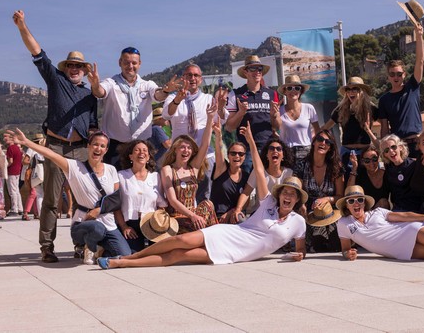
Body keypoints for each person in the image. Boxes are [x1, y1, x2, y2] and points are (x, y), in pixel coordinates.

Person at [96, 123, 307, 269]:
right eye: (285, 192)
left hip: (234, 255)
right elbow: (260, 172)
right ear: (279, 194)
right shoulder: (268, 202)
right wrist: (251, 142)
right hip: (228, 234)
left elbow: (301, 250)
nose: (288, 196)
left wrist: (299, 256)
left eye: (293, 194)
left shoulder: (298, 222)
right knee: (180, 240)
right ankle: (126, 260)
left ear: (297, 200)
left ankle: (125, 261)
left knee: (178, 255)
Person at [13, 10, 98, 263]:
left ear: (84, 70)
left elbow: (93, 123)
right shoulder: (55, 80)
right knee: (50, 199)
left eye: (79, 66)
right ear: (66, 67)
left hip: (81, 148)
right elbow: (37, 53)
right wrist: (22, 27)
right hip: (56, 147)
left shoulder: (90, 94)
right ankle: (46, 247)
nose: (74, 69)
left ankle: (79, 244)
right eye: (71, 65)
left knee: (84, 199)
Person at [5, 129, 131, 263]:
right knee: (96, 228)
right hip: (83, 223)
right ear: (88, 146)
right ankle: (88, 247)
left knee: (124, 254)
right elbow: (51, 154)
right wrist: (26, 142)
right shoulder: (74, 167)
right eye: (95, 144)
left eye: (102, 146)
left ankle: (100, 249)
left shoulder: (111, 170)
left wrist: (99, 210)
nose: (98, 148)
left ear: (106, 150)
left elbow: (116, 199)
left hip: (108, 223)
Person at [86, 47, 177, 168]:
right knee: (116, 183)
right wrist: (95, 84)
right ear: (120, 62)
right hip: (115, 147)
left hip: (142, 146)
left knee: (141, 182)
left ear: (139, 64)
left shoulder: (147, 84)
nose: (130, 66)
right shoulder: (111, 83)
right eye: (126, 62)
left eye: (134, 63)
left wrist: (165, 90)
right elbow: (100, 92)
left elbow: (158, 95)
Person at [162, 64, 227, 203]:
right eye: (189, 75)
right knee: (180, 194)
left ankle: (203, 221)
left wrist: (220, 108)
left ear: (201, 79)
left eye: (196, 75)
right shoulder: (173, 98)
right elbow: (167, 114)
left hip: (204, 155)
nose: (192, 78)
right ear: (183, 78)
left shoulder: (208, 99)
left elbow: (221, 119)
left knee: (204, 195)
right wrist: (178, 100)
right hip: (180, 155)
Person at [161, 104, 218, 233]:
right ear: (175, 150)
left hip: (195, 215)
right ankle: (210, 236)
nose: (186, 150)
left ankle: (211, 235)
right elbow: (172, 200)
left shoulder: (194, 168)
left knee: (208, 204)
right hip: (177, 216)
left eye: (189, 148)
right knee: (203, 225)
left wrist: (210, 119)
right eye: (182, 147)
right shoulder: (168, 170)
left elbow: (205, 144)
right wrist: (192, 215)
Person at [378, 18, 424, 158]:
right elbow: (384, 129)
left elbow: (420, 61)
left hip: (417, 142)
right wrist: (385, 152)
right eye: (392, 74)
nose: (395, 76)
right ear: (388, 77)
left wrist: (419, 35)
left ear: (404, 74)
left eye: (399, 73)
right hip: (398, 147)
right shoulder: (384, 100)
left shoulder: (412, 87)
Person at [293, 130, 344, 252]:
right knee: (317, 243)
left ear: (331, 147)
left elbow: (340, 196)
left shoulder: (336, 167)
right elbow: (297, 192)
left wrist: (327, 199)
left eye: (328, 142)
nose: (323, 143)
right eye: (320, 139)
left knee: (336, 245)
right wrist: (301, 204)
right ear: (314, 142)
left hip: (330, 212)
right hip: (309, 211)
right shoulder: (302, 165)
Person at [226, 55, 280, 170]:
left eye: (259, 69)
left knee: (268, 186)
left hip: (268, 149)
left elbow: (277, 125)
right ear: (245, 72)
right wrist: (241, 113)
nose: (257, 72)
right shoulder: (236, 94)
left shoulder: (272, 94)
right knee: (248, 186)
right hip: (246, 149)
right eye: (252, 69)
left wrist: (273, 115)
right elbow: (229, 127)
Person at [115, 140, 168, 252]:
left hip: (151, 224)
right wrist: (124, 226)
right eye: (137, 150)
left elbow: (161, 205)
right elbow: (116, 206)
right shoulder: (121, 176)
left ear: (148, 157)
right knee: (130, 254)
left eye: (145, 150)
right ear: (131, 156)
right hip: (130, 224)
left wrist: (160, 225)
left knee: (158, 253)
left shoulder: (155, 177)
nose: (141, 153)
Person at [323, 77, 379, 173]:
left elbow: (385, 125)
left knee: (365, 183)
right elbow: (325, 128)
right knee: (348, 183)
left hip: (365, 154)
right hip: (347, 153)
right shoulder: (341, 109)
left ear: (361, 91)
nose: (350, 92)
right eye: (348, 89)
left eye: (354, 89)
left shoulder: (371, 108)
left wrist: (369, 131)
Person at [234, 138, 294, 220]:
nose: (275, 151)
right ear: (267, 155)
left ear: (283, 156)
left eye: (279, 149)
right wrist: (238, 209)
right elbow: (246, 192)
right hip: (259, 213)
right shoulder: (258, 172)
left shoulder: (289, 173)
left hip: (281, 214)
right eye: (271, 148)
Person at [209, 118, 249, 223]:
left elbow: (247, 201)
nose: (237, 156)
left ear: (244, 157)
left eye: (241, 154)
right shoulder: (221, 169)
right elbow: (218, 151)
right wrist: (218, 135)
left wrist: (231, 212)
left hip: (234, 217)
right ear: (228, 155)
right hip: (216, 218)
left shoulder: (246, 176)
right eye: (233, 153)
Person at [277, 75, 319, 162]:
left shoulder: (309, 108)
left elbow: (317, 130)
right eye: (289, 88)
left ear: (301, 91)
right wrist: (282, 142)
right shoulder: (279, 111)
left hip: (307, 152)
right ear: (285, 91)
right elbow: (273, 129)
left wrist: (310, 143)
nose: (293, 91)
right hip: (287, 152)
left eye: (297, 88)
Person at [379, 134, 418, 212]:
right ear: (385, 155)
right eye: (386, 150)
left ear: (400, 147)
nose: (391, 151)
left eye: (393, 147)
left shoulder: (414, 165)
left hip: (416, 209)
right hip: (398, 210)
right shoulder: (388, 168)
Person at [346, 145, 390, 210]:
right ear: (362, 162)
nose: (371, 163)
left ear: (378, 159)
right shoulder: (360, 173)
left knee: (383, 202)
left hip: (382, 211)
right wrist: (354, 168)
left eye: (374, 159)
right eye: (367, 160)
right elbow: (349, 192)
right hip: (365, 210)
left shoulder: (386, 171)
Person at [22, 134, 46, 221]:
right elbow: (25, 161)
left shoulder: (38, 149)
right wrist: (33, 163)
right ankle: (27, 212)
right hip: (35, 172)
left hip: (38, 173)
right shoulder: (33, 149)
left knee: (37, 194)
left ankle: (36, 213)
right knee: (35, 193)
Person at [4, 133, 23, 216]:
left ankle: (14, 209)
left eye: (6, 138)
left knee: (12, 191)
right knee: (17, 190)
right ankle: (20, 208)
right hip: (17, 171)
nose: (5, 139)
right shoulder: (18, 148)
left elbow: (10, 161)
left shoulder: (10, 148)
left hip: (11, 171)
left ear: (11, 139)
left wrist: (4, 167)